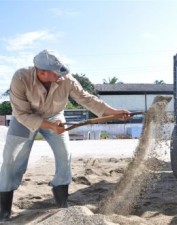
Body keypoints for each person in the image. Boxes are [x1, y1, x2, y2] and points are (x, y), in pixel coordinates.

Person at [0, 49, 131, 221]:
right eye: (56, 74)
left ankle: (62, 203)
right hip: (23, 119)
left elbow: (86, 98)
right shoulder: (20, 78)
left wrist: (114, 112)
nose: (61, 77)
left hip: (55, 117)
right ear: (42, 72)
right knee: (11, 161)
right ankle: (4, 212)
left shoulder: (66, 79)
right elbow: (23, 114)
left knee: (65, 155)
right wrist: (49, 126)